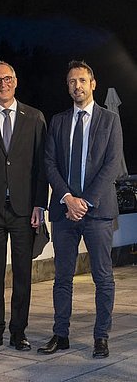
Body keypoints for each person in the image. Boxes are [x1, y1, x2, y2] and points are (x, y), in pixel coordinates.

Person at [39, 61, 123, 358]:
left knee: (103, 278)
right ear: (68, 86)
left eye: (82, 80)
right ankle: (60, 335)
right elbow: (50, 163)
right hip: (65, 213)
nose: (77, 86)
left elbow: (112, 164)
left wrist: (84, 201)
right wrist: (66, 198)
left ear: (93, 83)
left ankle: (101, 337)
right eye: (72, 81)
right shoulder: (59, 121)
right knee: (62, 278)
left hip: (97, 213)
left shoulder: (110, 120)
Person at [0, 61, 48, 351]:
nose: (2, 84)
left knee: (23, 274)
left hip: (25, 209)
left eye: (7, 78)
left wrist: (41, 204)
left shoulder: (35, 117)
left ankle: (18, 332)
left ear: (16, 81)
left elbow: (41, 166)